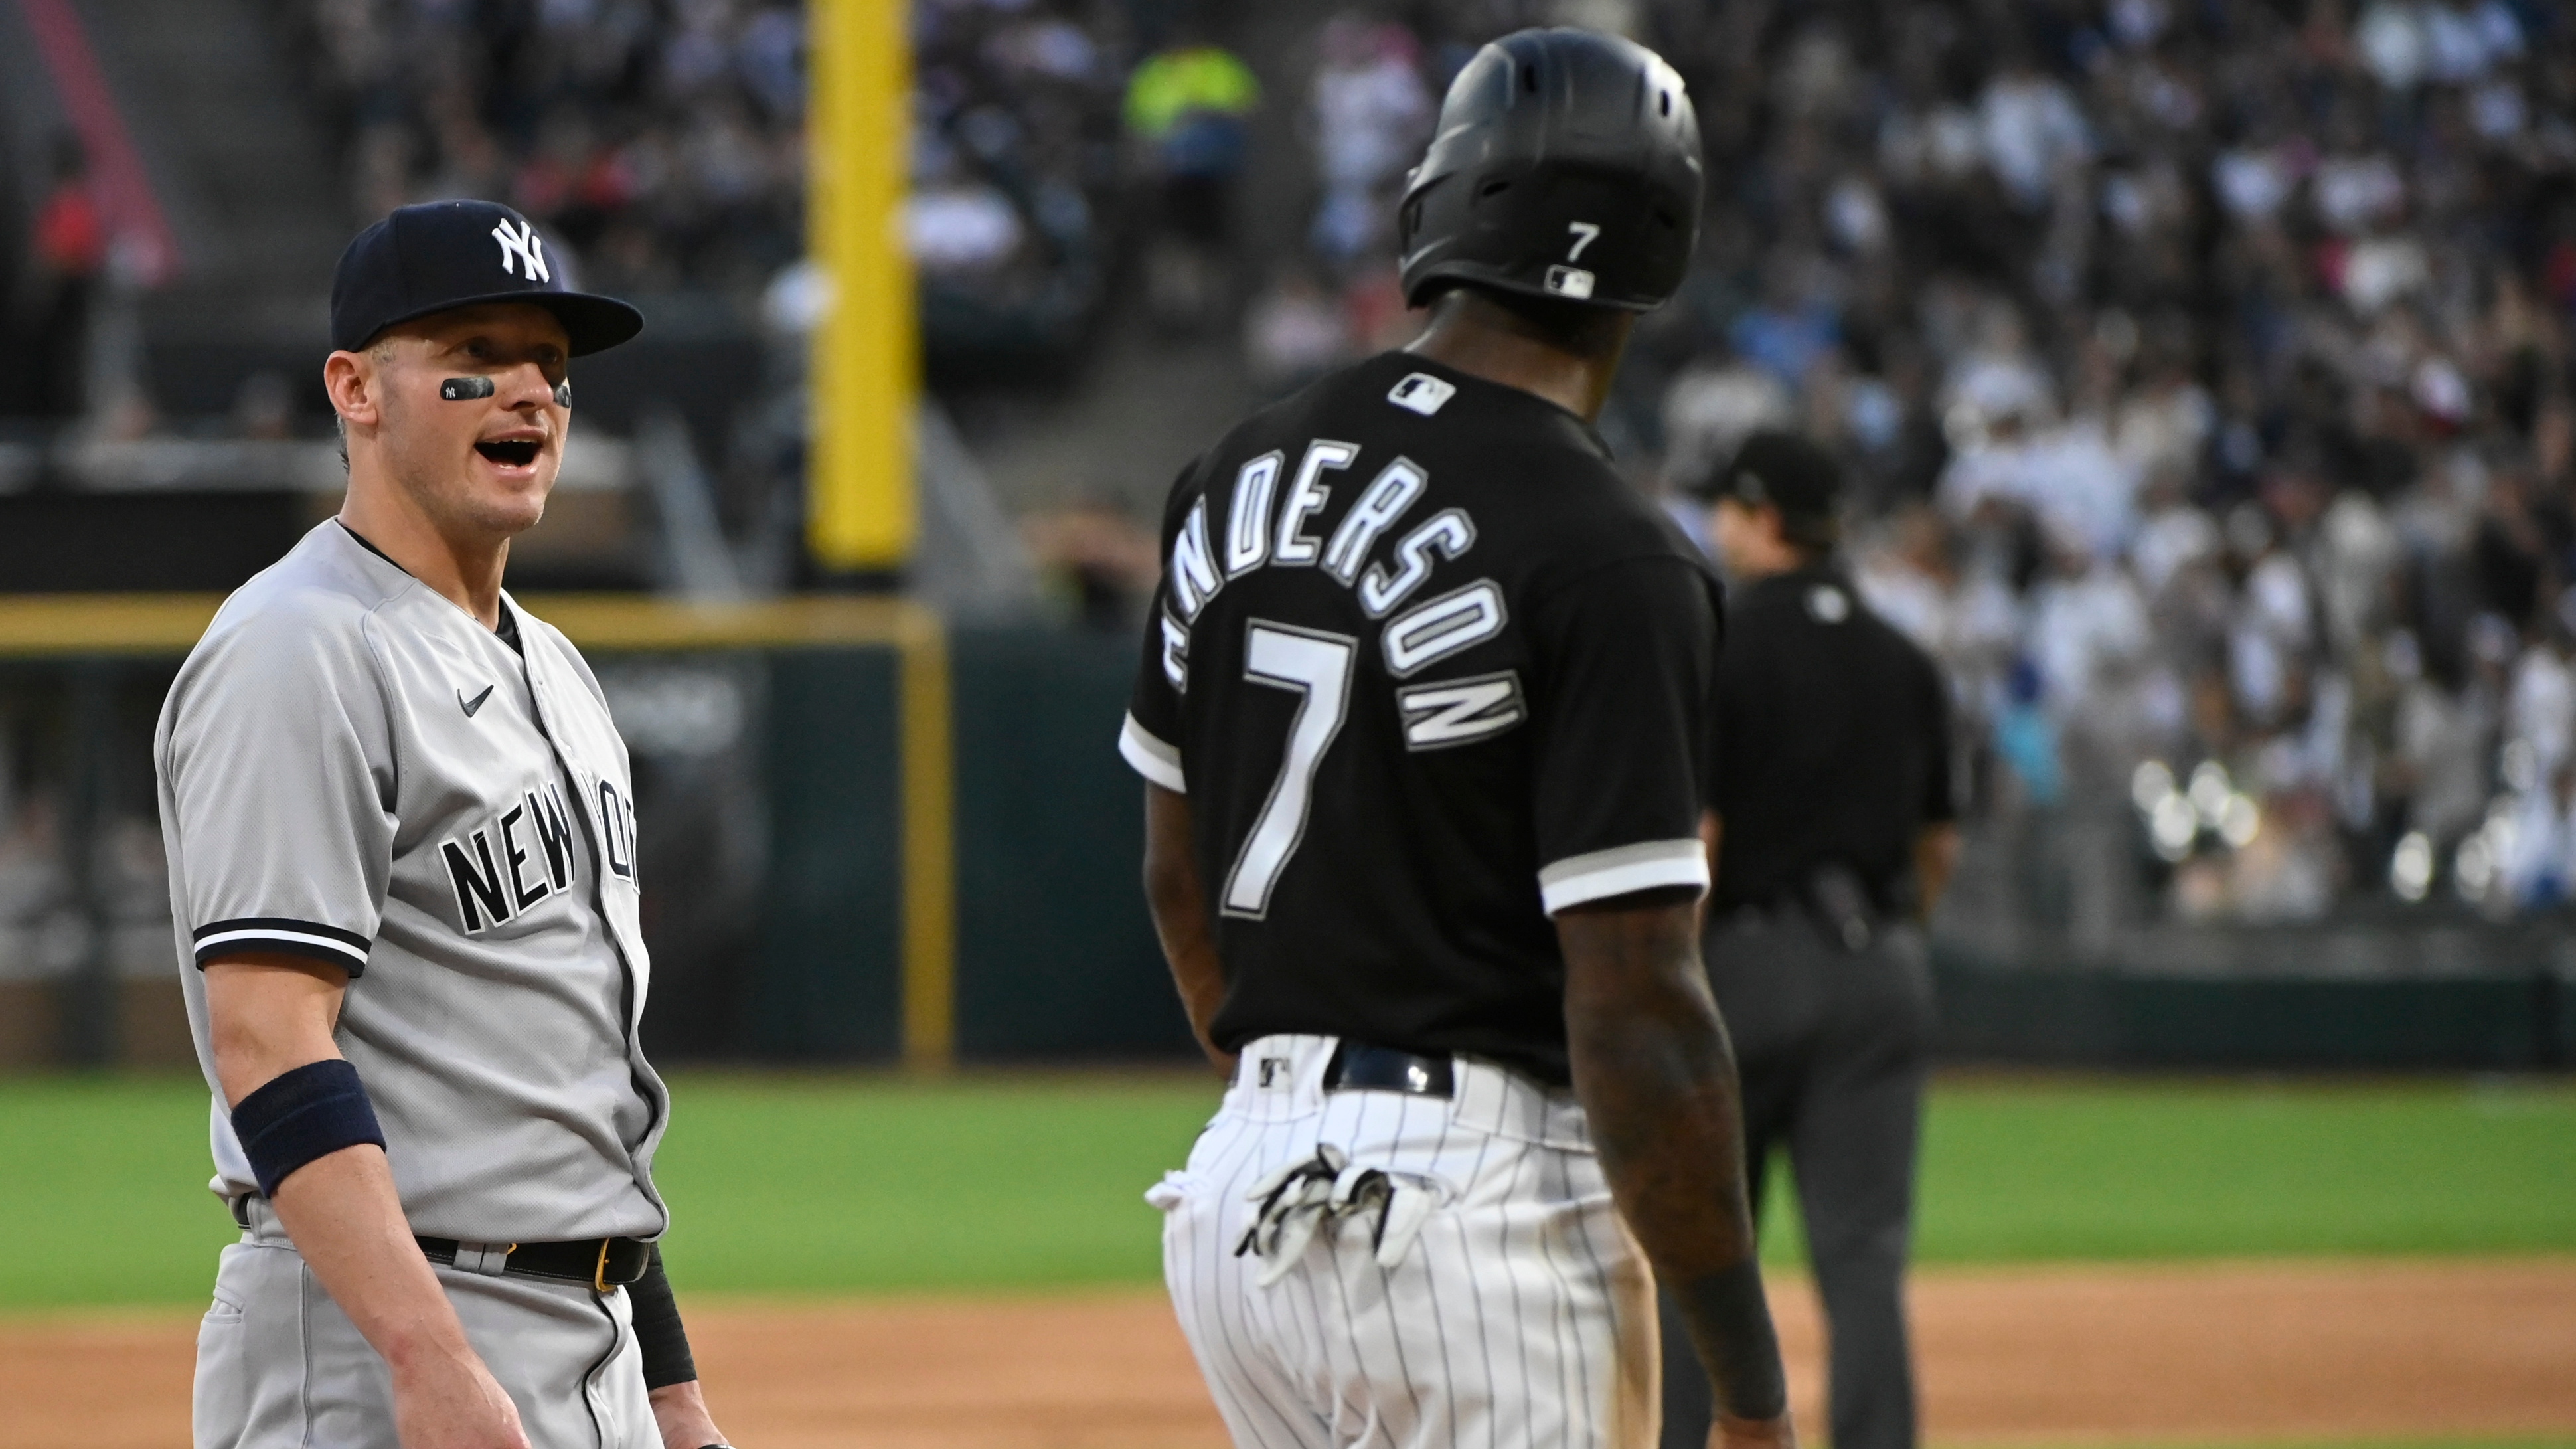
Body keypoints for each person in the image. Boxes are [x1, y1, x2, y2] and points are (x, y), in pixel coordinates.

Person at [1121, 30, 1795, 1449]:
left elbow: (1177, 880)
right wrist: (1744, 1385)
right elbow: (1638, 1005)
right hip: (1472, 1200)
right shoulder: (1610, 554)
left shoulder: (1230, 470)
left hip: (1239, 1191)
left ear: (1440, 199)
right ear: (1657, 252)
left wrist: (1287, 1105)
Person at [157, 199, 730, 1449]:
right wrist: (425, 1354)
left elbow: (567, 1083)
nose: (526, 391)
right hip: (378, 1340)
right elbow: (266, 1035)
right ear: (356, 389)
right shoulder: (296, 648)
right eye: (473, 355)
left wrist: (670, 1385)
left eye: (553, 366)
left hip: (588, 1338)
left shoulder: (561, 673)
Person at [1657, 430, 1960, 1449]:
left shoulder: (1720, 641)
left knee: (1697, 1249)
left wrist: (1669, 989)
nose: (1719, 528)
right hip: (1879, 967)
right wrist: (1898, 940)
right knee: (1866, 1257)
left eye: (1730, 509)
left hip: (1746, 965)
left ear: (1764, 517)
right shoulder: (1905, 656)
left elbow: (1703, 839)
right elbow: (1939, 844)